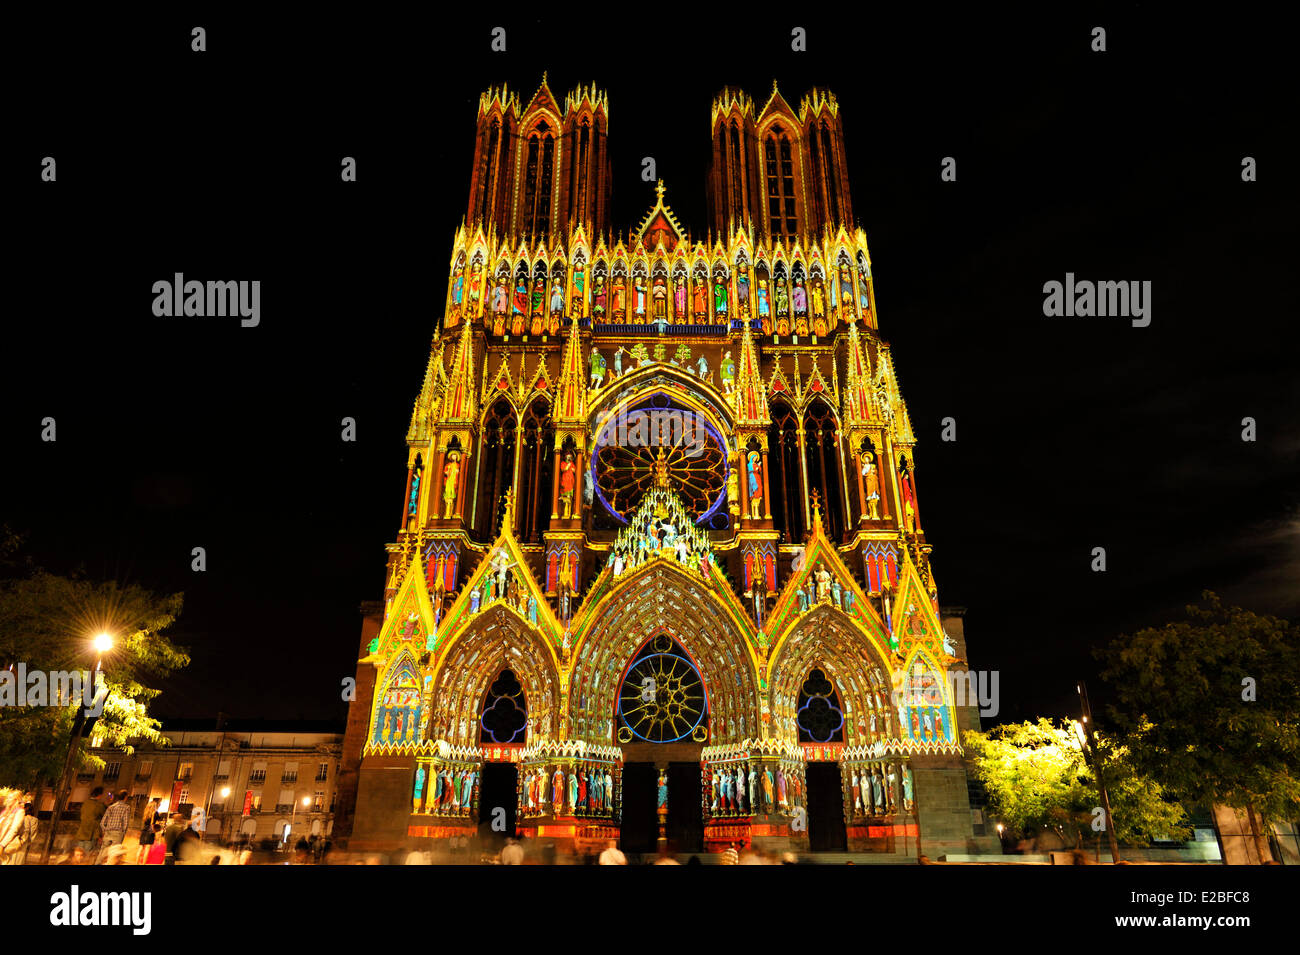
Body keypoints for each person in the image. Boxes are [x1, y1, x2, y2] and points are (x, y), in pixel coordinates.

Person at [74, 786, 109, 862]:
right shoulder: (99, 805)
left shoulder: (85, 803)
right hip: (91, 834)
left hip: (82, 832)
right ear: (100, 795)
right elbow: (105, 817)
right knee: (87, 856)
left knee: (79, 856)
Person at [99, 788, 131, 857]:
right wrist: (123, 833)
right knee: (114, 854)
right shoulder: (126, 807)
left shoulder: (111, 807)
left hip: (108, 831)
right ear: (125, 797)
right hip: (118, 833)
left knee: (102, 853)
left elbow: (102, 822)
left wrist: (105, 830)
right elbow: (125, 823)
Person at [136, 798, 160, 865]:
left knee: (140, 848)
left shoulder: (146, 813)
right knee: (147, 849)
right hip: (150, 832)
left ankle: (136, 863)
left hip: (144, 831)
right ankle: (143, 864)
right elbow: (157, 822)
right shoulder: (155, 813)